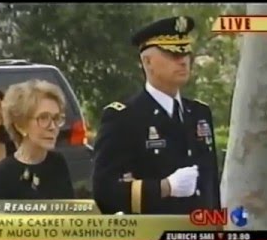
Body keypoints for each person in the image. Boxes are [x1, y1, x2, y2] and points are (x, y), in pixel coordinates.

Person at [92, 16, 221, 214]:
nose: (183, 61)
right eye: (173, 54)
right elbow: (105, 192)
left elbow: (211, 186)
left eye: (186, 53)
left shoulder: (199, 113)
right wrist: (165, 187)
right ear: (147, 61)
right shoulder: (123, 118)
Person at [0, 79, 75, 200]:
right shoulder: (5, 172)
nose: (52, 127)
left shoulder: (58, 162)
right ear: (20, 125)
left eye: (56, 118)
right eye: (43, 118)